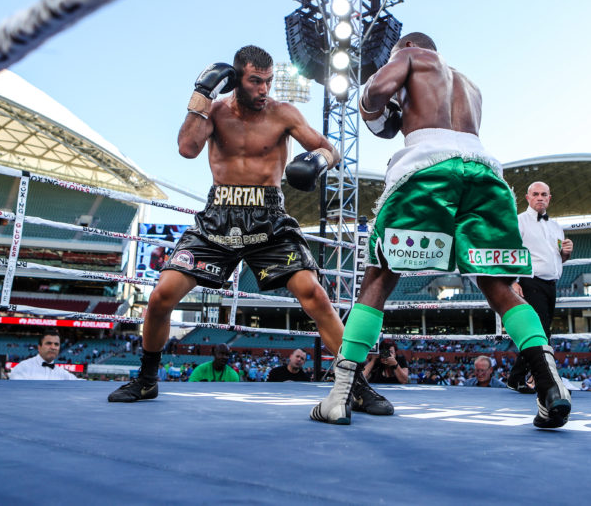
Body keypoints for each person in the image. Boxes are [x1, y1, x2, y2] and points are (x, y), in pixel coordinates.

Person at [311, 32, 571, 429]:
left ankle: (340, 394)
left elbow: (376, 91)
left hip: (427, 168)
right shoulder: (469, 84)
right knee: (498, 287)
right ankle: (550, 385)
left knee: (378, 279)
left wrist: (374, 107)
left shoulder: (411, 56)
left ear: (407, 50)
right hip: (485, 174)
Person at [108, 46, 390, 412]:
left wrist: (317, 161)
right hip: (218, 216)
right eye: (256, 81)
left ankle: (355, 386)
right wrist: (200, 96)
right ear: (236, 80)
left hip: (268, 217)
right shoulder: (214, 111)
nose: (264, 89)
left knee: (315, 295)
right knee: (162, 296)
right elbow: (187, 148)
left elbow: (329, 149)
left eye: (269, 81)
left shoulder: (283, 114)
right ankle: (146, 381)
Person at [507, 181, 573, 394]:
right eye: (535, 194)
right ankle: (542, 381)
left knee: (540, 331)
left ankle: (517, 378)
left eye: (544, 194)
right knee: (541, 332)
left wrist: (565, 254)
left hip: (551, 284)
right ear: (527, 198)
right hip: (530, 282)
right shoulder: (519, 222)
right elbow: (511, 251)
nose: (540, 197)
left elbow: (555, 260)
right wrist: (513, 281)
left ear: (549, 198)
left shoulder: (555, 226)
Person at [9, 330, 78, 380]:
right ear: (39, 347)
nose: (53, 347)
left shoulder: (63, 374)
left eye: (56, 344)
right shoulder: (22, 368)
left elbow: (81, 384)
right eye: (48, 343)